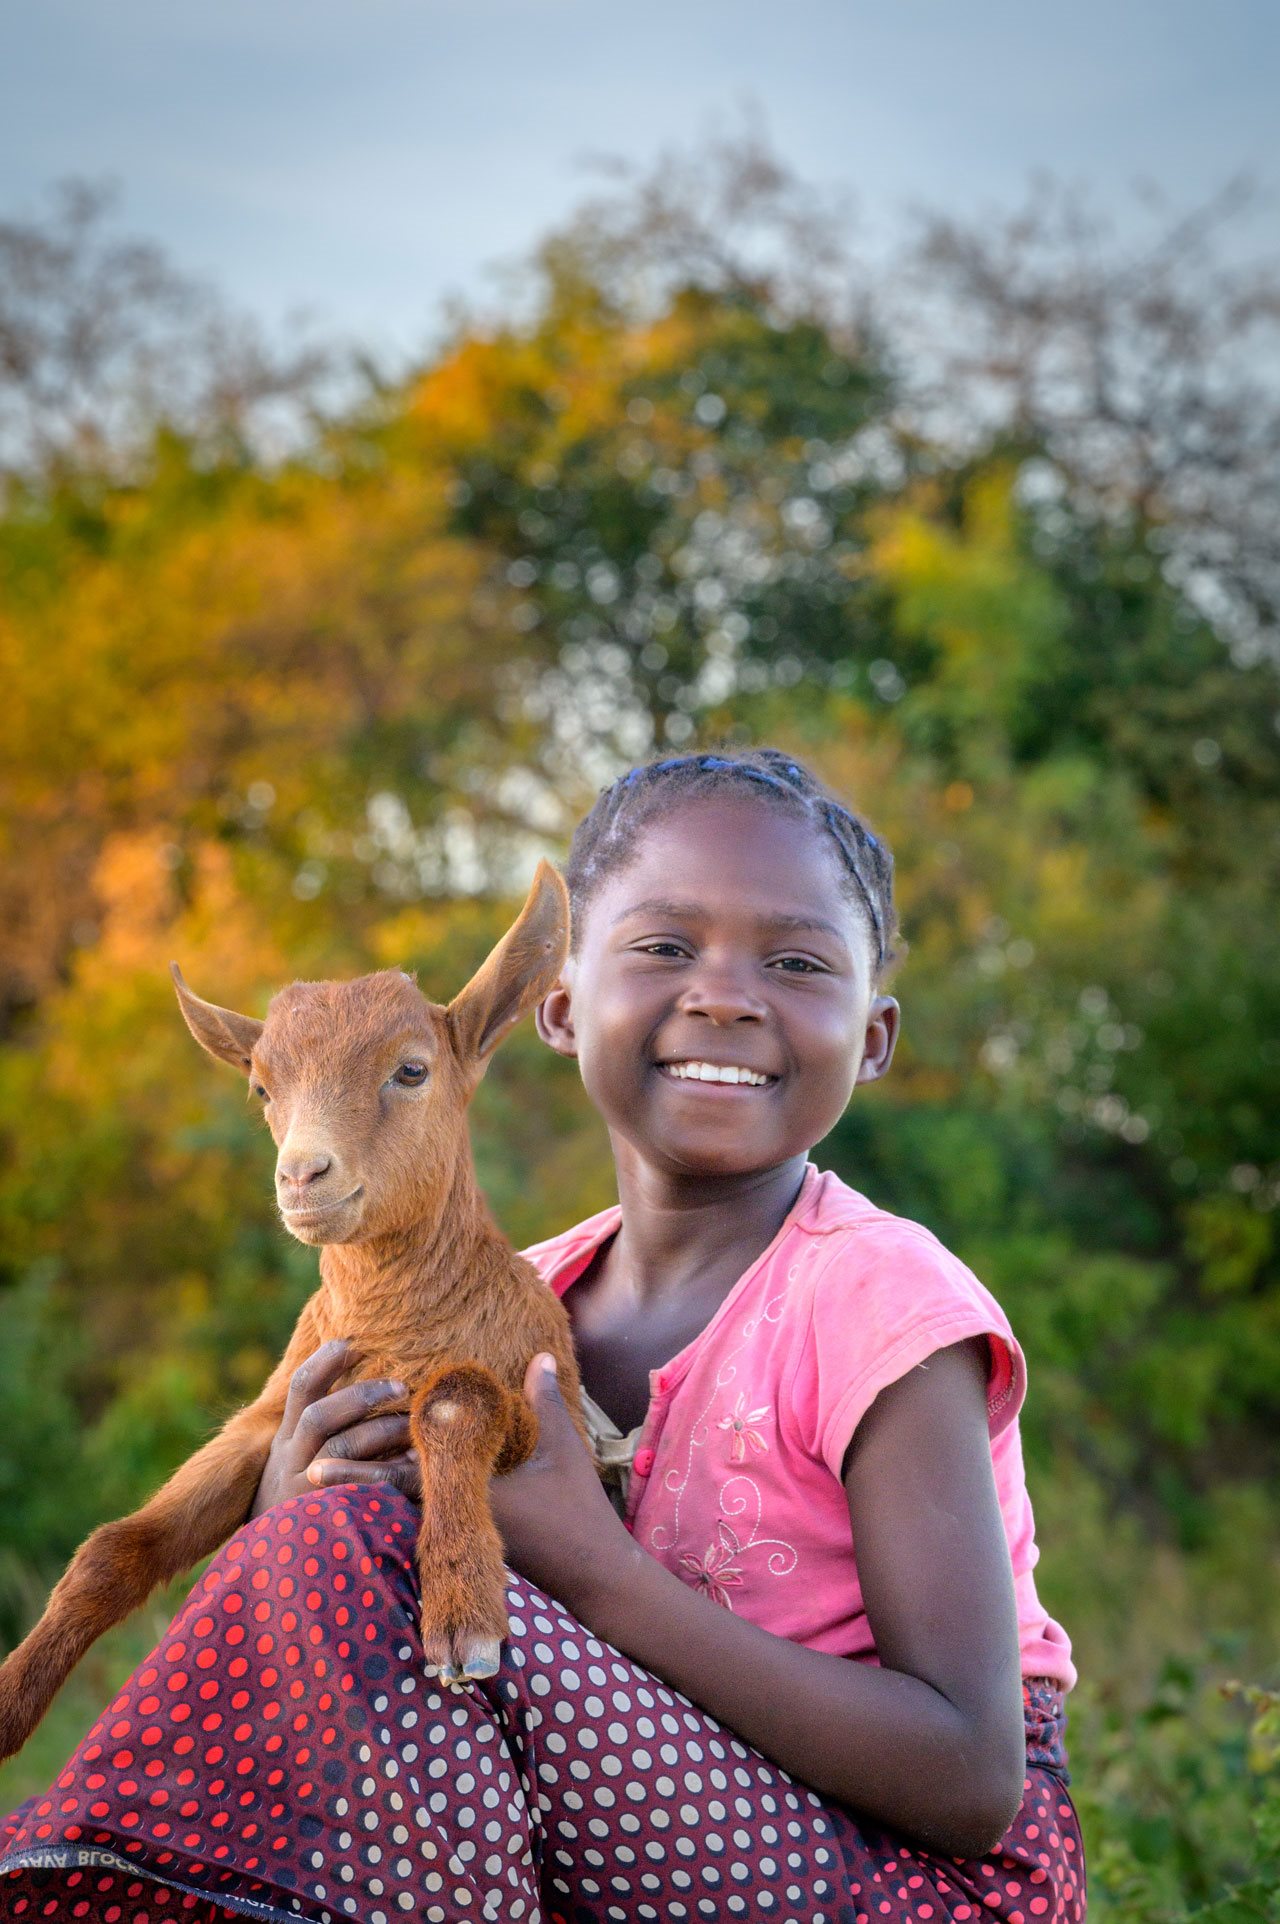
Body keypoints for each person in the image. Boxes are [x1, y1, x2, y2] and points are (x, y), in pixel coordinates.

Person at [0, 748, 1085, 1924]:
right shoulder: (522, 1292)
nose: (722, 993)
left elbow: (975, 1781)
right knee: (352, 1558)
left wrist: (595, 1569)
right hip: (652, 1832)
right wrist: (283, 1503)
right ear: (556, 1007)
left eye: (795, 960)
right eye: (664, 946)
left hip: (928, 1882)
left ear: (871, 1037)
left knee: (361, 1554)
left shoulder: (878, 1296)